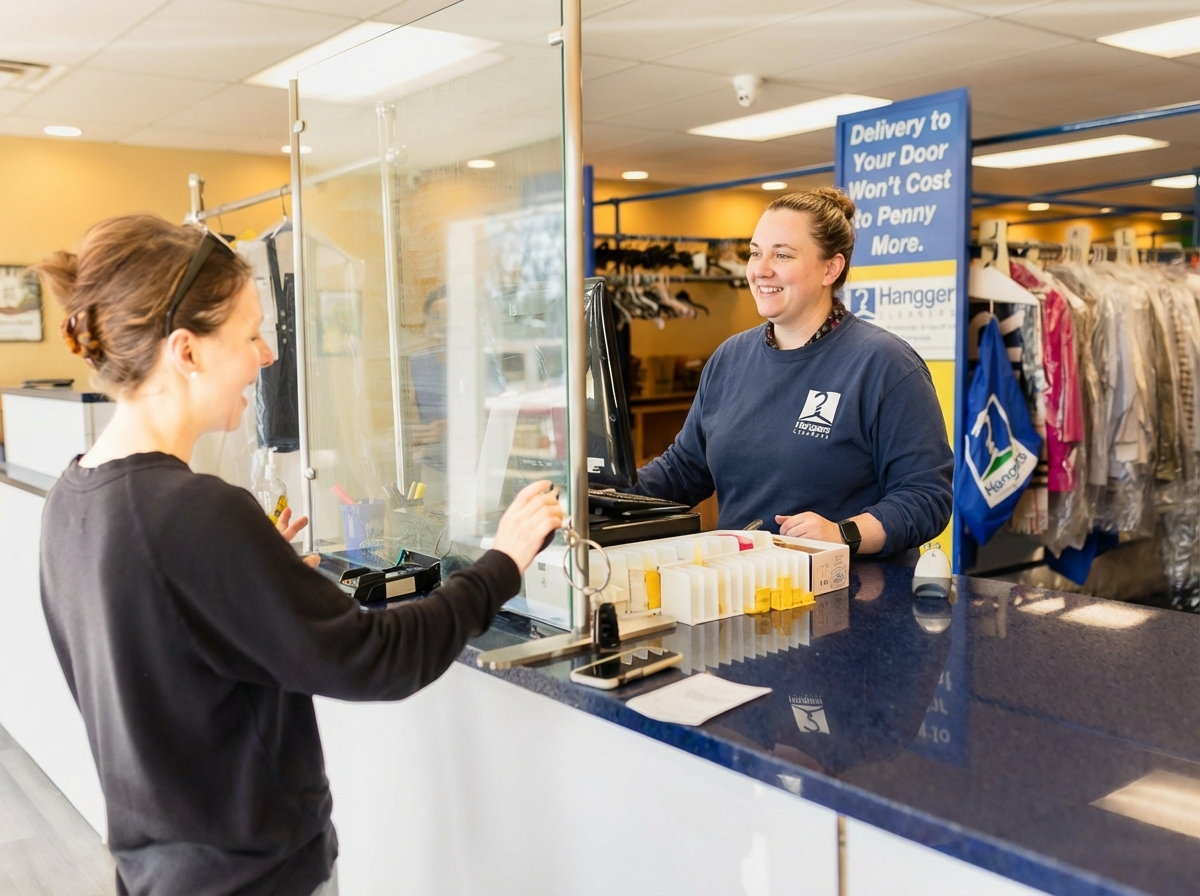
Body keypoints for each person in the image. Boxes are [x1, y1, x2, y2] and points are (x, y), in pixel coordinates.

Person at [34, 215, 563, 896]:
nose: (268, 356)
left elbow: (169, 661)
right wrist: (502, 563)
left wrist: (253, 579)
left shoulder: (71, 499)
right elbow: (379, 658)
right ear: (186, 352)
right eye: (251, 334)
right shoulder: (197, 514)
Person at [633, 187, 953, 556]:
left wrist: (843, 533)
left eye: (782, 255)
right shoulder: (729, 359)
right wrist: (599, 493)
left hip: (853, 596)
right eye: (755, 253)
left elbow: (927, 497)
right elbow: (684, 471)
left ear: (830, 268)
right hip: (744, 586)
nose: (760, 269)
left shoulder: (885, 364)